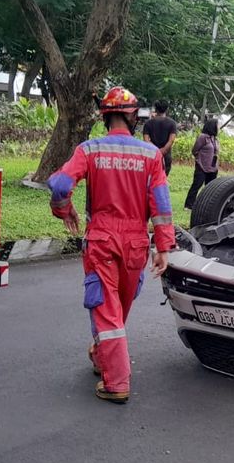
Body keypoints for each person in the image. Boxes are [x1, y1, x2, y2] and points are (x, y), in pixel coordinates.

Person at [47, 87, 173, 404]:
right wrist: (163, 247)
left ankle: (117, 383)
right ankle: (102, 355)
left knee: (106, 311)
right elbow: (160, 204)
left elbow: (61, 183)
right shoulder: (151, 155)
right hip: (135, 242)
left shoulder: (90, 150)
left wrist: (65, 209)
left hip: (102, 238)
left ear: (105, 116)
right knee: (117, 308)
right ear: (132, 116)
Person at [184, 117, 220, 211]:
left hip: (212, 167)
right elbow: (194, 150)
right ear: (213, 126)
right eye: (217, 125)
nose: (218, 127)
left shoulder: (214, 138)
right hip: (202, 166)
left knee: (210, 188)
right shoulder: (203, 137)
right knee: (197, 185)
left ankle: (206, 205)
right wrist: (199, 159)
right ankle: (188, 205)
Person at [142, 99, 177, 176]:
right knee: (163, 178)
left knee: (150, 178)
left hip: (151, 155)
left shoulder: (148, 123)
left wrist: (156, 151)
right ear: (167, 109)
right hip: (166, 156)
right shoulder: (172, 123)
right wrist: (163, 150)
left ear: (155, 109)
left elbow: (146, 140)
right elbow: (171, 140)